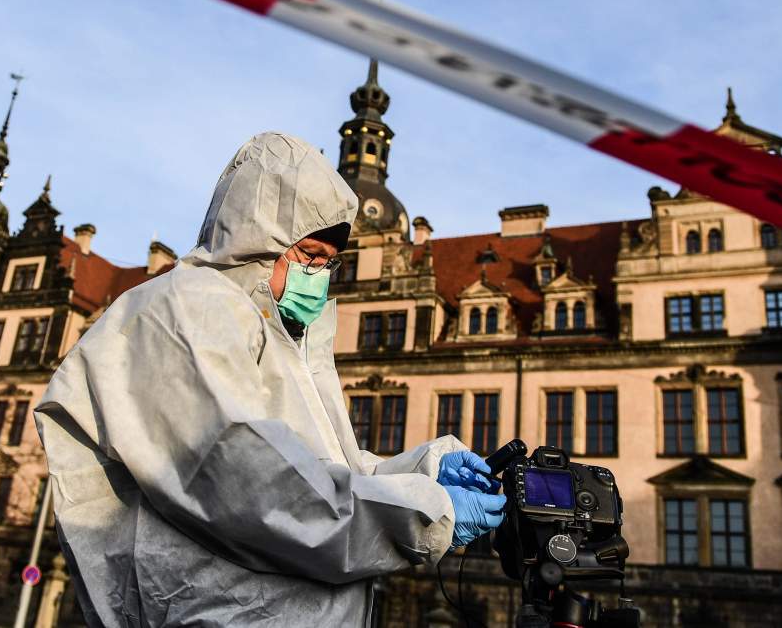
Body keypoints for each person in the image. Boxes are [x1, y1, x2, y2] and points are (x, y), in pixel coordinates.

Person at [36, 132, 506, 627]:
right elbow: (256, 487)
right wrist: (423, 514)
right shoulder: (186, 310)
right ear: (259, 240)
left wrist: (423, 475)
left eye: (329, 263)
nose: (320, 278)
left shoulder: (281, 336)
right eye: (310, 256)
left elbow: (322, 473)